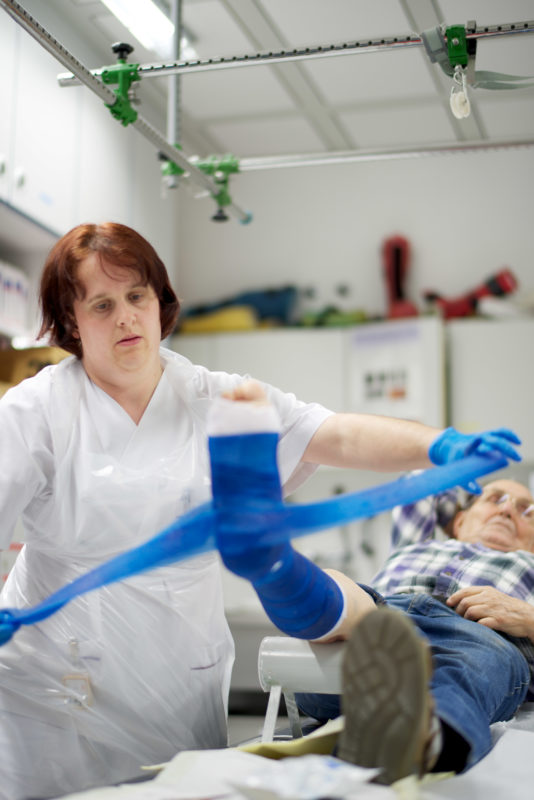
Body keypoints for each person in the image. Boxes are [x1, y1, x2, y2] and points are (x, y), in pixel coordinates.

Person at [0, 221, 520, 800]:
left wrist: (439, 445)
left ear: (158, 301)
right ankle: (274, 564)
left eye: (136, 296)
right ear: (71, 320)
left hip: (174, 673)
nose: (126, 317)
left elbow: (336, 435)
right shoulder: (37, 410)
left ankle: (273, 563)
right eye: (102, 304)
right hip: (54, 675)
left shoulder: (213, 395)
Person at [294, 476, 534, 784]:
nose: (507, 511)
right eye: (495, 499)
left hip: (476, 635)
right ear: (459, 521)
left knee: (472, 667)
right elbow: (420, 480)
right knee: (341, 589)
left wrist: (527, 617)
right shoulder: (416, 544)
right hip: (381, 612)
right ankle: (331, 608)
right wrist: (467, 464)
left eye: (526, 510)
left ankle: (416, 736)